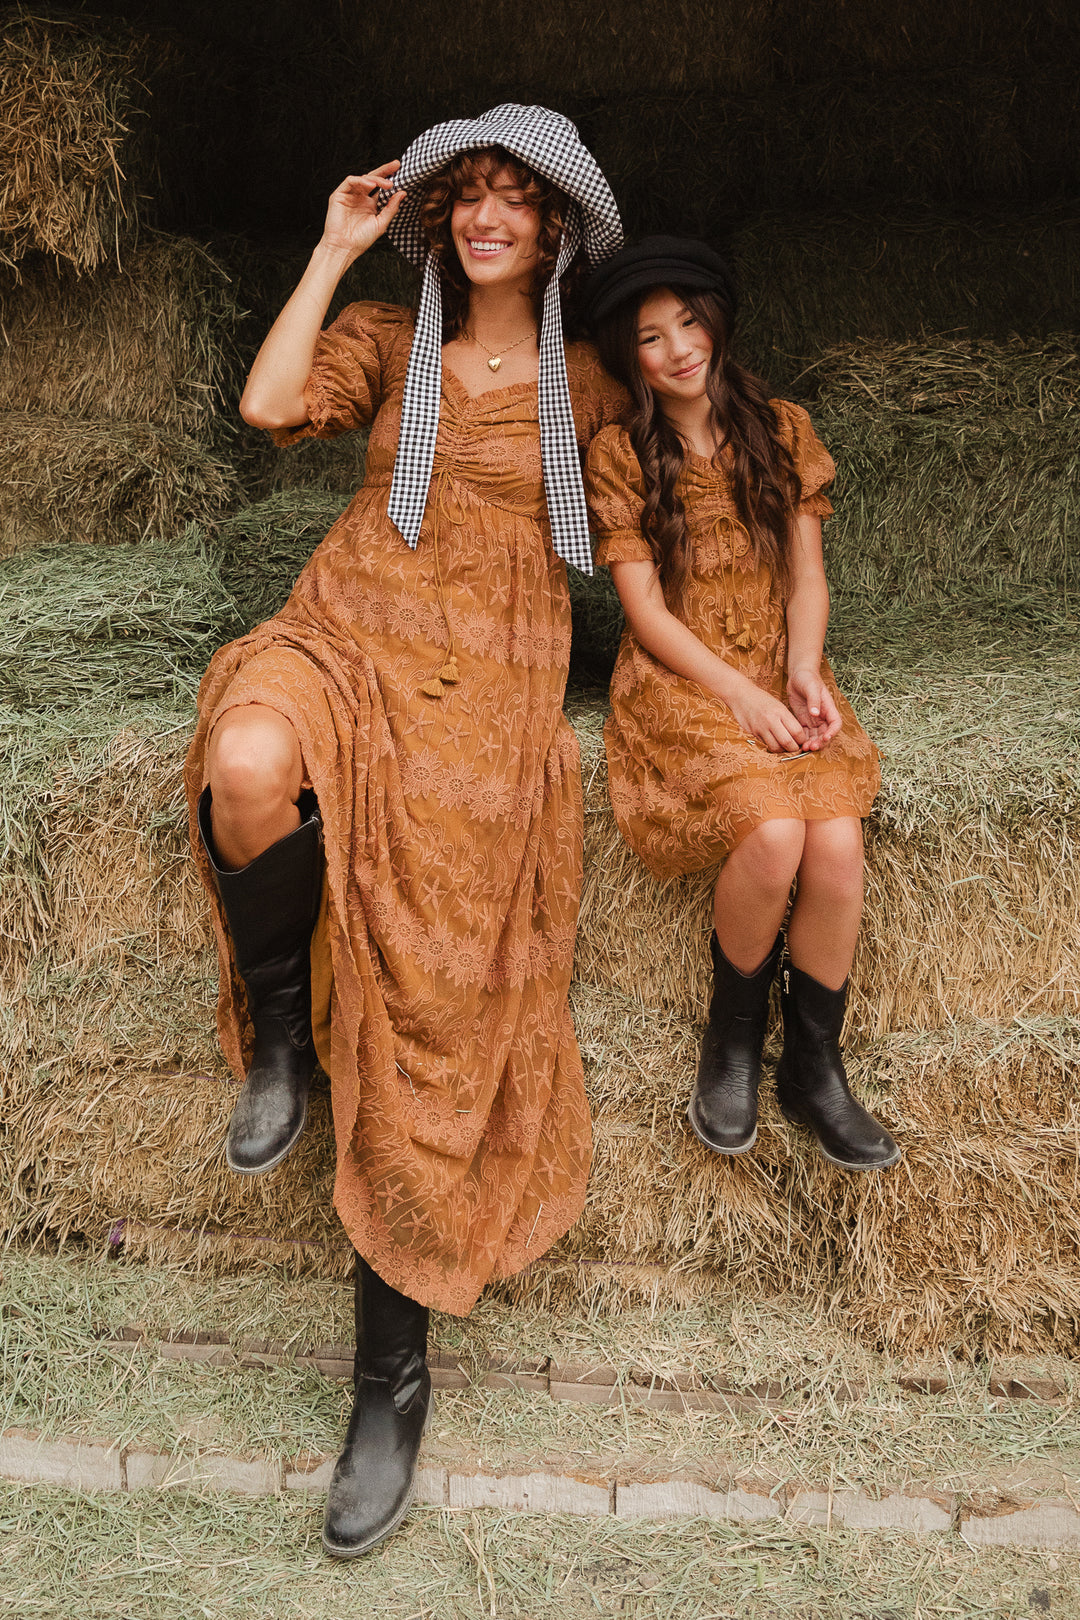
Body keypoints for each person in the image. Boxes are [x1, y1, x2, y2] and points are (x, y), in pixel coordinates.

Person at [182, 104, 626, 1557]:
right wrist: (331, 246)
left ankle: (389, 1378)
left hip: (491, 666)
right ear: (443, 220)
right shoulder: (385, 335)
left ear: (553, 228)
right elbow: (264, 405)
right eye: (471, 196)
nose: (489, 215)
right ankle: (281, 1035)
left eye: (516, 198)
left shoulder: (589, 383)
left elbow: (659, 523)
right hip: (351, 620)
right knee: (249, 763)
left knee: (436, 973)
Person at [581, 236, 899, 1175]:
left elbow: (807, 577)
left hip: (777, 660)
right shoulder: (619, 455)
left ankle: (813, 1066)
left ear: (716, 323)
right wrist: (742, 698)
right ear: (627, 356)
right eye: (650, 336)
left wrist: (801, 671)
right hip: (686, 678)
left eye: (689, 322)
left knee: (837, 843)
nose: (678, 347)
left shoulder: (783, 427)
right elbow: (642, 612)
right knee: (772, 834)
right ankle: (730, 1044)